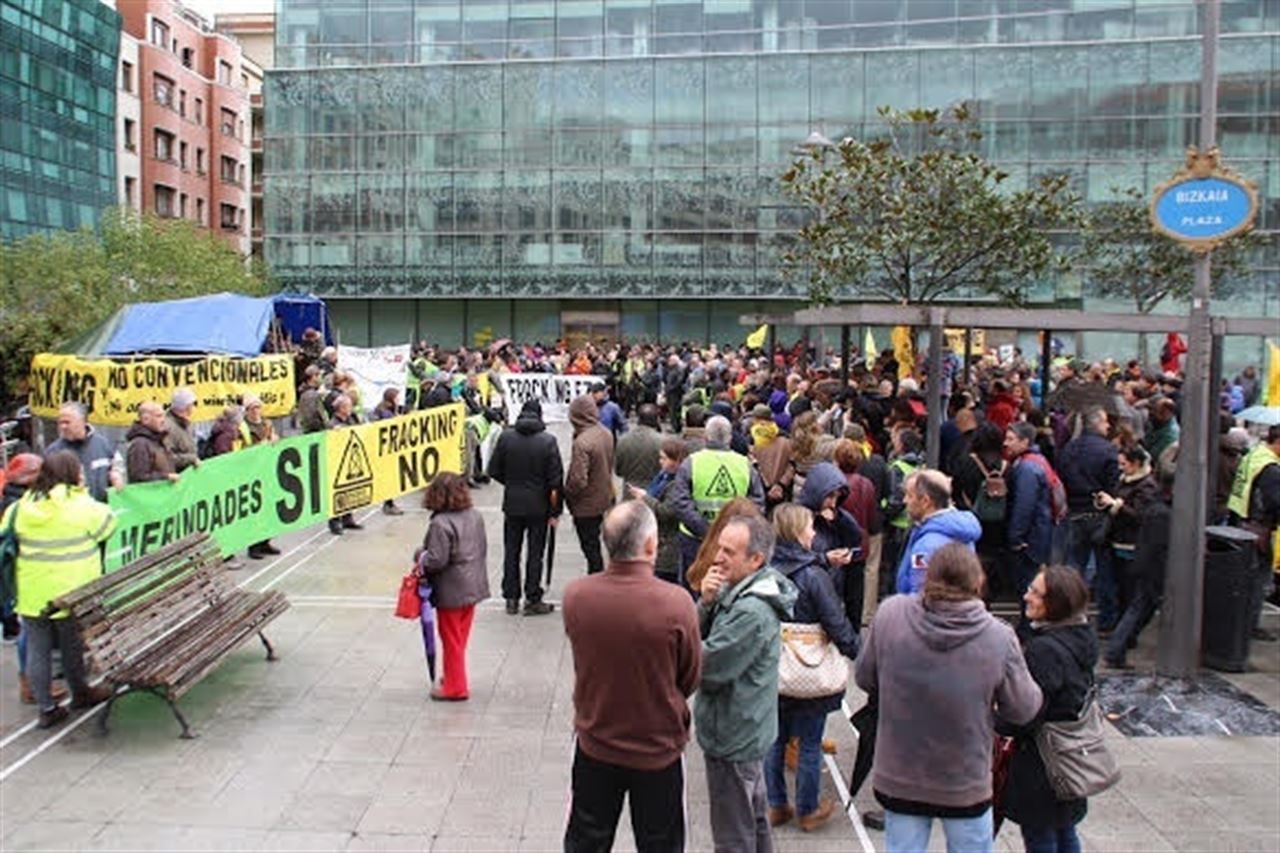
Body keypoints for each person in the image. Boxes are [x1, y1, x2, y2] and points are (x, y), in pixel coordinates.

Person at [855, 544, 1043, 853]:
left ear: (928, 577)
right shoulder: (998, 636)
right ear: (977, 583)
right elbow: (1023, 708)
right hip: (964, 781)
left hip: (901, 775)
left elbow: (864, 678)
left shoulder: (890, 614)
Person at [562, 501, 702, 851]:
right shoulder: (677, 603)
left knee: (587, 839)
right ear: (651, 546)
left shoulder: (577, 596)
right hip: (658, 748)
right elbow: (689, 676)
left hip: (596, 741)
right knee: (661, 842)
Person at [696, 515, 797, 853]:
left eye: (729, 552)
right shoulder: (742, 592)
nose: (718, 558)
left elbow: (707, 665)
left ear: (756, 559)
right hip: (746, 730)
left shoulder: (751, 612)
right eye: (719, 548)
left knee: (733, 836)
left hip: (733, 734)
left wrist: (665, 648)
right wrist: (707, 602)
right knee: (753, 821)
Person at [2, 451, 117, 728]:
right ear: (72, 474)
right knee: (71, 644)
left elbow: (6, 530)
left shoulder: (21, 506)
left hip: (32, 592)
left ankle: (46, 707)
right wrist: (84, 492)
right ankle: (80, 692)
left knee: (38, 649)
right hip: (71, 591)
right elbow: (107, 526)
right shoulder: (79, 503)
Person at [763, 504, 859, 832]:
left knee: (774, 740)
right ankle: (807, 809)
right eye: (808, 527)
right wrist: (855, 649)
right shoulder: (814, 577)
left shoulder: (764, 568)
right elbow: (835, 621)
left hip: (774, 668)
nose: (814, 532)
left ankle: (775, 805)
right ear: (796, 532)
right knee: (809, 741)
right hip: (809, 670)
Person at [1003, 566, 1098, 853]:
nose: (1026, 596)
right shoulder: (1081, 639)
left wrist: (993, 719)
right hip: (1069, 758)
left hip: (1042, 765)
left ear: (1055, 603)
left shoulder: (1044, 651)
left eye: (1035, 592)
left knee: (1041, 836)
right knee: (1064, 829)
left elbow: (1027, 714)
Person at [416, 472, 489, 701]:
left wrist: (420, 556)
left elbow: (437, 560)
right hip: (473, 583)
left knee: (451, 639)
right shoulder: (475, 516)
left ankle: (456, 687)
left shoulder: (440, 523)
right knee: (460, 638)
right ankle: (452, 675)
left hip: (451, 588)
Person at [488, 400, 563, 615]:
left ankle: (511, 597)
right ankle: (532, 596)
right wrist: (555, 510)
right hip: (539, 505)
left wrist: (511, 483)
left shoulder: (506, 437)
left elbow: (494, 470)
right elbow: (555, 481)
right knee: (535, 552)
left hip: (512, 502)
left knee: (511, 550)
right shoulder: (548, 441)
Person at [671, 415, 765, 575]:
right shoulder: (745, 465)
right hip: (733, 542)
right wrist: (733, 530)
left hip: (695, 539)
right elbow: (757, 504)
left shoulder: (691, 463)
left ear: (705, 437)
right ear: (729, 438)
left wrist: (706, 530)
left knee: (694, 584)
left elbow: (680, 502)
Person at [1056, 409, 1120, 629]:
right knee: (1105, 570)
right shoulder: (1109, 450)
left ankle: (1069, 612)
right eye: (1105, 422)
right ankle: (1107, 618)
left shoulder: (1068, 449)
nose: (1108, 426)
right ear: (1097, 424)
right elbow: (1113, 484)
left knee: (1074, 565)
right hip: (1100, 513)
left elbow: (1061, 476)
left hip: (1075, 511)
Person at [1228, 424, 1280, 642]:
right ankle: (1249, 625)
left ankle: (1242, 623)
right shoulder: (1270, 468)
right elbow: (1275, 501)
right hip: (1259, 529)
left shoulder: (1255, 455)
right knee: (1258, 581)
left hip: (1242, 521)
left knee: (1246, 580)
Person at [797, 461, 864, 626]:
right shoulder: (797, 520)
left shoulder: (836, 522)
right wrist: (825, 559)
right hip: (807, 607)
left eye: (837, 498)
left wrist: (840, 518)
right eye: (830, 497)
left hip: (833, 598)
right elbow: (793, 558)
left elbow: (855, 538)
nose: (833, 504)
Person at [894, 470, 982, 595]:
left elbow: (919, 596)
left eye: (909, 495)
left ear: (925, 501)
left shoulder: (927, 545)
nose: (904, 501)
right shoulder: (961, 531)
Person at [565, 395, 615, 577]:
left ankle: (596, 578)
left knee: (590, 546)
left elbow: (578, 479)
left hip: (586, 504)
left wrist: (568, 493)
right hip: (604, 496)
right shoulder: (605, 433)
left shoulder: (583, 442)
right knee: (595, 542)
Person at [1005, 423, 1055, 600]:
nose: (1006, 443)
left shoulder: (1027, 468)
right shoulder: (1035, 462)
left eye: (1011, 439)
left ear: (1025, 441)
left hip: (1031, 538)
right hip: (1038, 532)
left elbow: (1024, 506)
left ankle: (1029, 626)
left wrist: (1016, 537)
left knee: (1027, 585)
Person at [628, 437, 687, 584]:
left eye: (664, 458)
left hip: (668, 545)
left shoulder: (676, 484)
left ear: (677, 461)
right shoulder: (663, 477)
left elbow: (667, 512)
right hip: (659, 540)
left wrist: (645, 498)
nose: (660, 462)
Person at [832, 440, 880, 625]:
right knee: (855, 594)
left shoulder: (835, 483)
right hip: (859, 545)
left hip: (837, 544)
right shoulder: (866, 484)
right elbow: (871, 516)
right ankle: (854, 632)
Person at [46, 402, 119, 503]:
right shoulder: (54, 452)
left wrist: (117, 476)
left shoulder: (103, 445)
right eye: (60, 423)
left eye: (67, 422)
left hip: (101, 511)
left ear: (82, 421)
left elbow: (117, 469)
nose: (63, 427)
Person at [239, 395, 282, 560]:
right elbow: (240, 449)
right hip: (252, 472)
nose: (257, 410)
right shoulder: (242, 427)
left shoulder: (267, 423)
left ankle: (266, 541)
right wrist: (259, 446)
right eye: (253, 408)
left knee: (269, 507)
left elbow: (274, 438)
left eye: (259, 407)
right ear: (248, 410)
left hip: (267, 469)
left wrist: (275, 440)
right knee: (255, 509)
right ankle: (254, 545)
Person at [327, 395, 363, 536]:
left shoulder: (351, 419)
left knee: (350, 488)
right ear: (341, 408)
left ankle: (348, 518)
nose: (350, 409)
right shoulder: (333, 424)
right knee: (337, 492)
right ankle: (335, 521)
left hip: (350, 459)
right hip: (337, 462)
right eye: (348, 406)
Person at [125, 402, 180, 484]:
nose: (163, 420)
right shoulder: (139, 445)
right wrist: (166, 477)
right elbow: (139, 477)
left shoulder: (159, 440)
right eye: (159, 416)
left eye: (163, 416)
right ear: (145, 419)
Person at [371, 388, 405, 516]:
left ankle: (390, 503)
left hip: (389, 450)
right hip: (385, 451)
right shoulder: (385, 412)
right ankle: (388, 504)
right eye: (397, 397)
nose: (398, 399)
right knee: (388, 477)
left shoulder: (389, 409)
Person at [614, 403, 663, 490]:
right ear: (656, 420)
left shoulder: (623, 440)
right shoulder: (662, 441)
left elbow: (618, 471)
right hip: (653, 490)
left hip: (630, 489)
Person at [164, 388, 200, 473]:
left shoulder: (187, 424)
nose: (193, 408)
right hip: (177, 478)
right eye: (192, 405)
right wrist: (190, 459)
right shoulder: (167, 427)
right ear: (186, 407)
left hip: (189, 474)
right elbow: (167, 458)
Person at [297, 365, 329, 433]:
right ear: (313, 377)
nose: (321, 379)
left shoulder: (306, 393)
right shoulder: (311, 395)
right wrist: (322, 428)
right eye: (319, 376)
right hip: (316, 433)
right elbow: (311, 418)